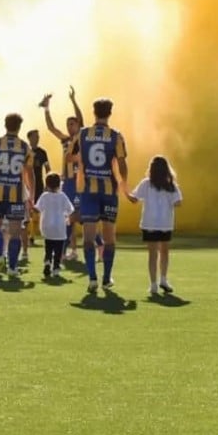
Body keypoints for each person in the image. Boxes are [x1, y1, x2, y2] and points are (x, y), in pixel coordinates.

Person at [68, 98, 129, 293]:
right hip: (109, 192)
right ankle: (106, 277)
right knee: (109, 238)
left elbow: (70, 156)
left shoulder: (83, 134)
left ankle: (92, 278)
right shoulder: (116, 136)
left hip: (88, 193)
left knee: (88, 237)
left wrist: (82, 161)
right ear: (110, 113)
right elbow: (121, 163)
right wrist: (123, 184)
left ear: (93, 112)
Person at [0, 114, 34, 279]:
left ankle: (0, 256)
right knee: (15, 233)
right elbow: (30, 173)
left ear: (5, 125)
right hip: (16, 195)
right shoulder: (25, 147)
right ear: (19, 127)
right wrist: (31, 194)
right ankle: (12, 268)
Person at [127, 156, 183, 296]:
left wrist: (124, 190)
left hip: (150, 223)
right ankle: (163, 279)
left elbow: (134, 199)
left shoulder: (146, 183)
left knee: (152, 254)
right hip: (165, 223)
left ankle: (153, 284)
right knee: (164, 252)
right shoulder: (171, 185)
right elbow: (178, 202)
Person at [42, 87, 85, 261]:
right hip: (67, 181)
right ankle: (71, 250)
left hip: (79, 180)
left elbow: (81, 120)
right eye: (68, 124)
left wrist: (74, 100)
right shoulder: (65, 140)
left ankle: (98, 245)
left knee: (78, 216)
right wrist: (46, 108)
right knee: (68, 217)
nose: (69, 127)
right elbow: (51, 128)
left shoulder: (82, 137)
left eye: (72, 124)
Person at [34, 174, 75, 279]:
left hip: (46, 226)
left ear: (47, 185)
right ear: (59, 184)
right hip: (60, 227)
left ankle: (47, 261)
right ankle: (56, 267)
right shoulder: (62, 196)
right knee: (58, 249)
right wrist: (67, 218)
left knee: (48, 247)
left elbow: (37, 208)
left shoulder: (44, 196)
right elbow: (70, 209)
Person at [22, 129, 51, 262]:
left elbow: (47, 168)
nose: (37, 138)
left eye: (38, 136)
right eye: (35, 136)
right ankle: (26, 236)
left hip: (38, 184)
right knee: (26, 211)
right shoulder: (24, 151)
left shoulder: (42, 152)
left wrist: (49, 182)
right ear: (29, 138)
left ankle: (32, 236)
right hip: (25, 184)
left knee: (36, 210)